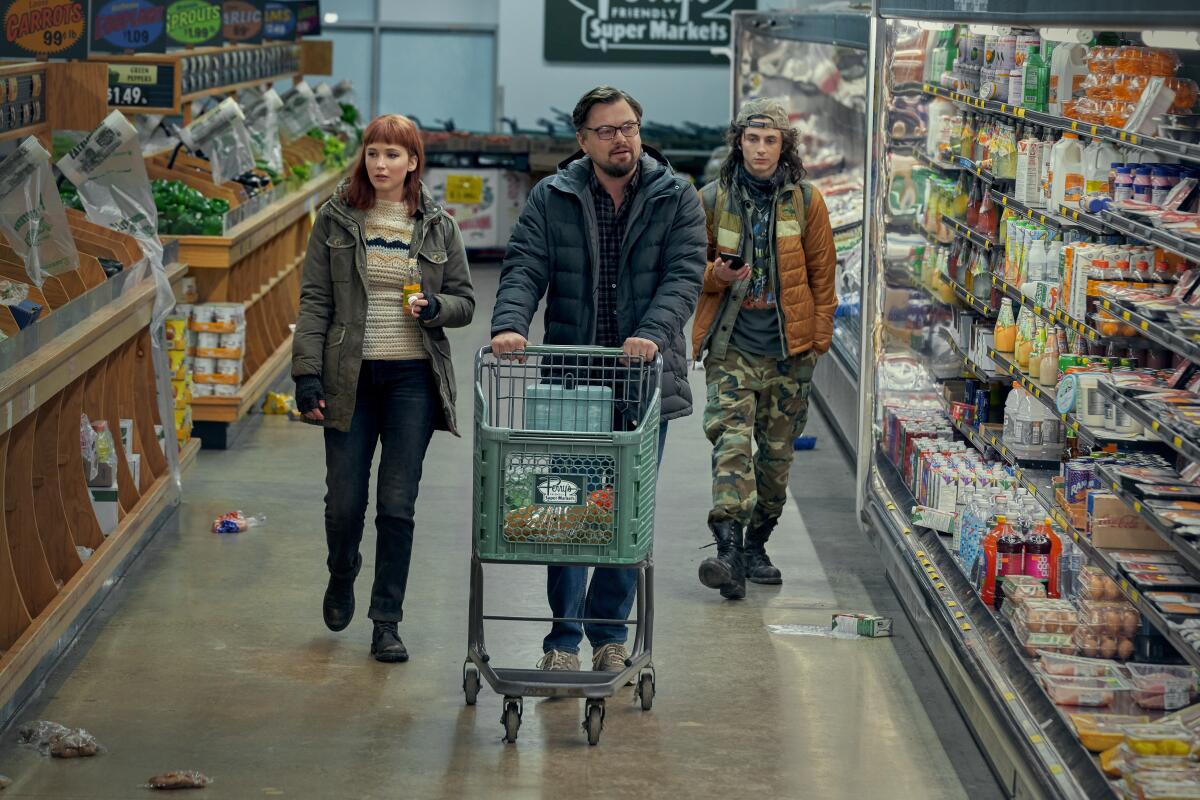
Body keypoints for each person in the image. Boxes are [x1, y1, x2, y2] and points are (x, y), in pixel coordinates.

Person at [490, 86, 705, 674]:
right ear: (582, 139)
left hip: (642, 381)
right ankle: (561, 639)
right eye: (607, 130)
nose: (621, 139)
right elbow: (525, 267)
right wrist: (510, 325)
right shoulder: (552, 196)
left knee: (626, 512)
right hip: (572, 383)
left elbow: (684, 275)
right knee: (566, 510)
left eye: (629, 127)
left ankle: (609, 631)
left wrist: (653, 333)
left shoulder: (675, 196)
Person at [292, 114, 475, 662]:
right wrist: (306, 374)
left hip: (412, 379)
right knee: (345, 503)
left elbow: (465, 300)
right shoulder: (335, 219)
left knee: (397, 505)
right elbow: (315, 300)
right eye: (373, 153)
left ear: (413, 162)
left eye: (393, 155)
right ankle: (342, 571)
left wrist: (436, 308)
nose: (380, 164)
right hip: (350, 377)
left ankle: (386, 621)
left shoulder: (439, 224)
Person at [693, 98, 837, 600]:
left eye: (770, 140)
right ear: (739, 142)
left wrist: (816, 342)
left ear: (783, 146)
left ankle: (756, 545)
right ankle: (728, 552)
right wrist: (717, 275)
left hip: (788, 353)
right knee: (731, 447)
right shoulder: (711, 200)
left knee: (774, 463)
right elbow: (692, 270)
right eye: (752, 139)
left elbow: (823, 276)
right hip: (732, 347)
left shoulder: (807, 202)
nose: (760, 149)